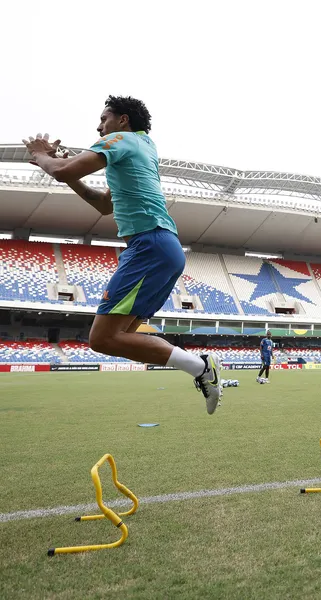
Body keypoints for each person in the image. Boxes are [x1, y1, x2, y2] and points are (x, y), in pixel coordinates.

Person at [22, 97, 221, 413]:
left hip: (148, 246)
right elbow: (104, 205)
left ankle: (200, 366)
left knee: (101, 339)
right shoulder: (144, 147)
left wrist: (41, 155)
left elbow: (60, 171)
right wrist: (62, 166)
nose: (99, 126)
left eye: (104, 119)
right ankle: (199, 367)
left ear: (123, 120)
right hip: (163, 246)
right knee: (120, 337)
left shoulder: (120, 139)